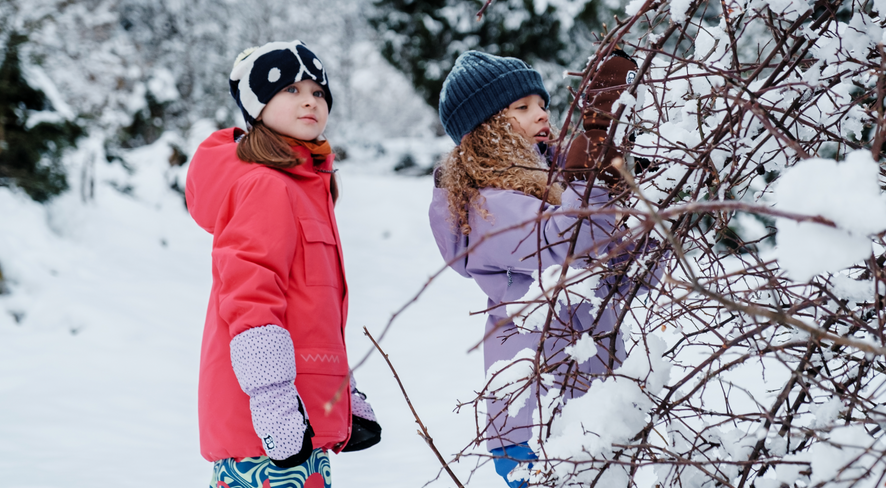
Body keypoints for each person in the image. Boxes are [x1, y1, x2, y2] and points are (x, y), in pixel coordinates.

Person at [428, 50, 648, 487]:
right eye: (522, 107)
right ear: (488, 128)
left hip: (590, 397)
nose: (542, 114)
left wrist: (649, 212)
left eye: (543, 104)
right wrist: (592, 173)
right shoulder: (489, 206)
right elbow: (568, 241)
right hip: (537, 418)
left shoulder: (554, 189)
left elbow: (625, 279)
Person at [186, 40, 380, 488]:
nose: (309, 99)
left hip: (302, 423)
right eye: (291, 90)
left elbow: (310, 312)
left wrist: (341, 395)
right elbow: (250, 297)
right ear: (257, 106)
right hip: (265, 427)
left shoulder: (308, 187)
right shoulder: (265, 186)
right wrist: (272, 399)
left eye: (317, 91)